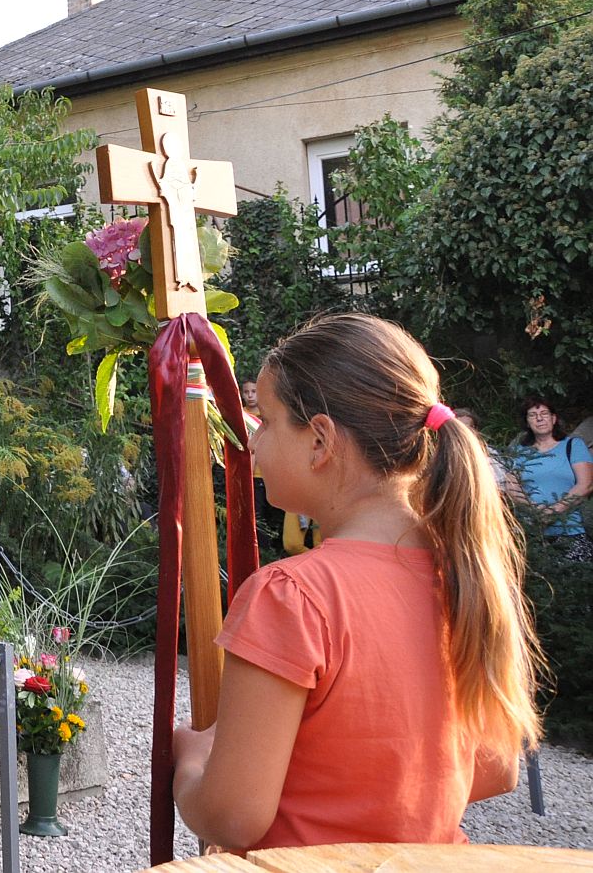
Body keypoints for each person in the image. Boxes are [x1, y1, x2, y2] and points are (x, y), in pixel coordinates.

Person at [172, 314, 539, 851]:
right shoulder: (466, 574)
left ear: (320, 439)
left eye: (267, 422)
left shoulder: (291, 596)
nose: (254, 445)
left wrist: (191, 759)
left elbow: (231, 817)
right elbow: (496, 770)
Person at [509, 396, 592, 560]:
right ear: (527, 422)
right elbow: (511, 486)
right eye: (532, 415)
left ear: (554, 418)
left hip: (571, 532)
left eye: (544, 413)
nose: (539, 418)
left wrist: (552, 512)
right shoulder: (519, 451)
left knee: (574, 583)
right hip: (532, 534)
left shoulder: (573, 445)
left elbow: (586, 485)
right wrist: (533, 510)